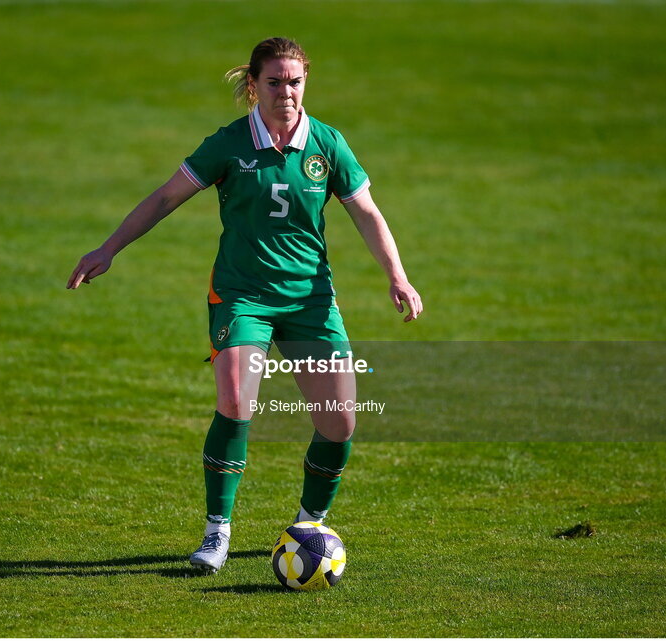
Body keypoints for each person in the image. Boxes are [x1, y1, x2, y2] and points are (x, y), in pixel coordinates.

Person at [67, 37, 422, 574]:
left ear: (306, 84)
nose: (286, 93)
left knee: (341, 422)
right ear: (253, 85)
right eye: (274, 82)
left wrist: (397, 276)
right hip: (242, 295)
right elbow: (165, 197)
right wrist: (108, 248)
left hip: (309, 299)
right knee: (236, 399)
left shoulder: (327, 144)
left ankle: (309, 524)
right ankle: (217, 534)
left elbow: (367, 213)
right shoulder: (229, 145)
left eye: (295, 82)